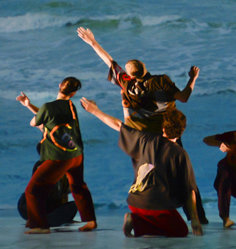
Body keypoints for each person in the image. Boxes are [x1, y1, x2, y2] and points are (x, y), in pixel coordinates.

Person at [77, 27, 207, 223]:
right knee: (184, 175)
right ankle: (197, 217)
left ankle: (144, 213)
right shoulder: (160, 81)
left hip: (143, 139)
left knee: (145, 174)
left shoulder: (127, 84)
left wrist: (93, 43)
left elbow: (110, 62)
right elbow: (184, 97)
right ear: (144, 67)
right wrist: (192, 79)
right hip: (167, 133)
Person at [79, 97, 202, 238]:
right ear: (182, 130)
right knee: (181, 230)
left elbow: (119, 125)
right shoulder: (180, 153)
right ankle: (136, 221)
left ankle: (138, 219)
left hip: (134, 202)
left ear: (163, 127)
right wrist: (195, 219)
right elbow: (190, 189)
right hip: (155, 206)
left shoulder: (145, 139)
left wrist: (95, 111)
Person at [16, 77, 97, 234]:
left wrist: (29, 107)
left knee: (33, 190)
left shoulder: (48, 107)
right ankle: (91, 221)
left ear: (59, 85)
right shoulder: (70, 106)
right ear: (73, 93)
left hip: (60, 157)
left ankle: (40, 225)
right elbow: (48, 117)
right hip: (76, 155)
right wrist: (29, 105)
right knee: (78, 186)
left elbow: (35, 122)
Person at [203, 123, 236, 228]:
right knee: (224, 172)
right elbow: (206, 140)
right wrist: (220, 144)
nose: (235, 134)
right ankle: (225, 217)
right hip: (230, 178)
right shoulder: (233, 136)